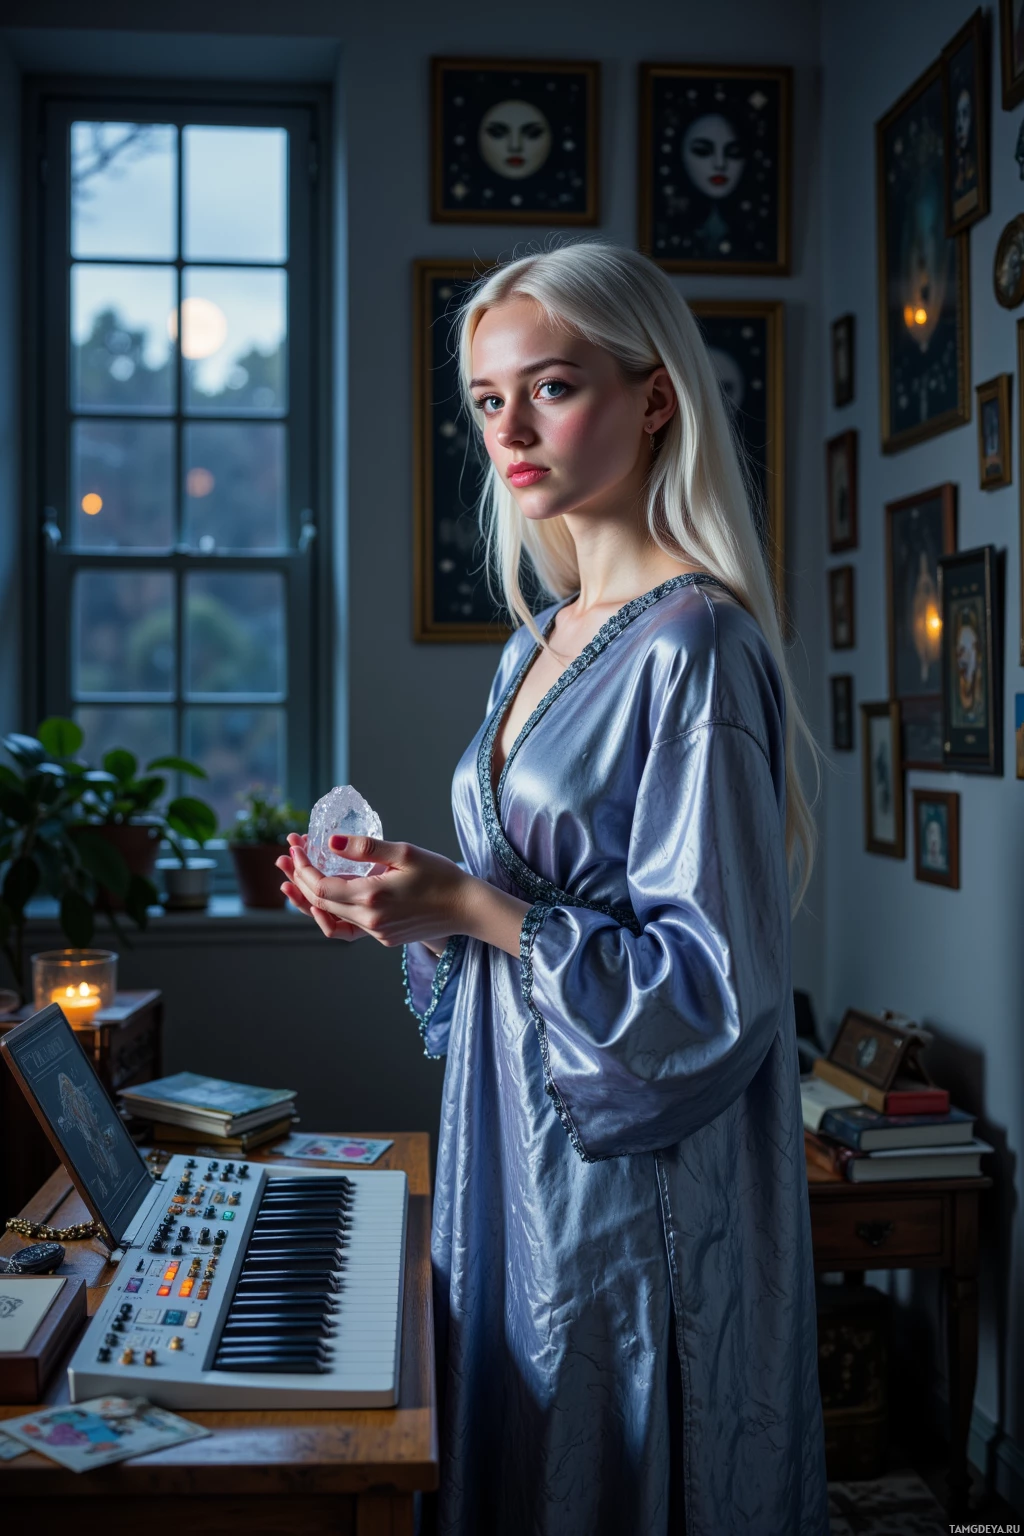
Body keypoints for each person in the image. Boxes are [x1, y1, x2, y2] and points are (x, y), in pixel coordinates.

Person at [279, 241, 829, 1536]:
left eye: (553, 386)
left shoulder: (697, 646)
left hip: (627, 1178)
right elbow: (514, 906)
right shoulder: (536, 640)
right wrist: (406, 903)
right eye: (485, 397)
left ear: (653, 398)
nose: (510, 427)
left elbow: (713, 993)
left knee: (600, 1469)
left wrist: (472, 908)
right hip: (504, 1143)